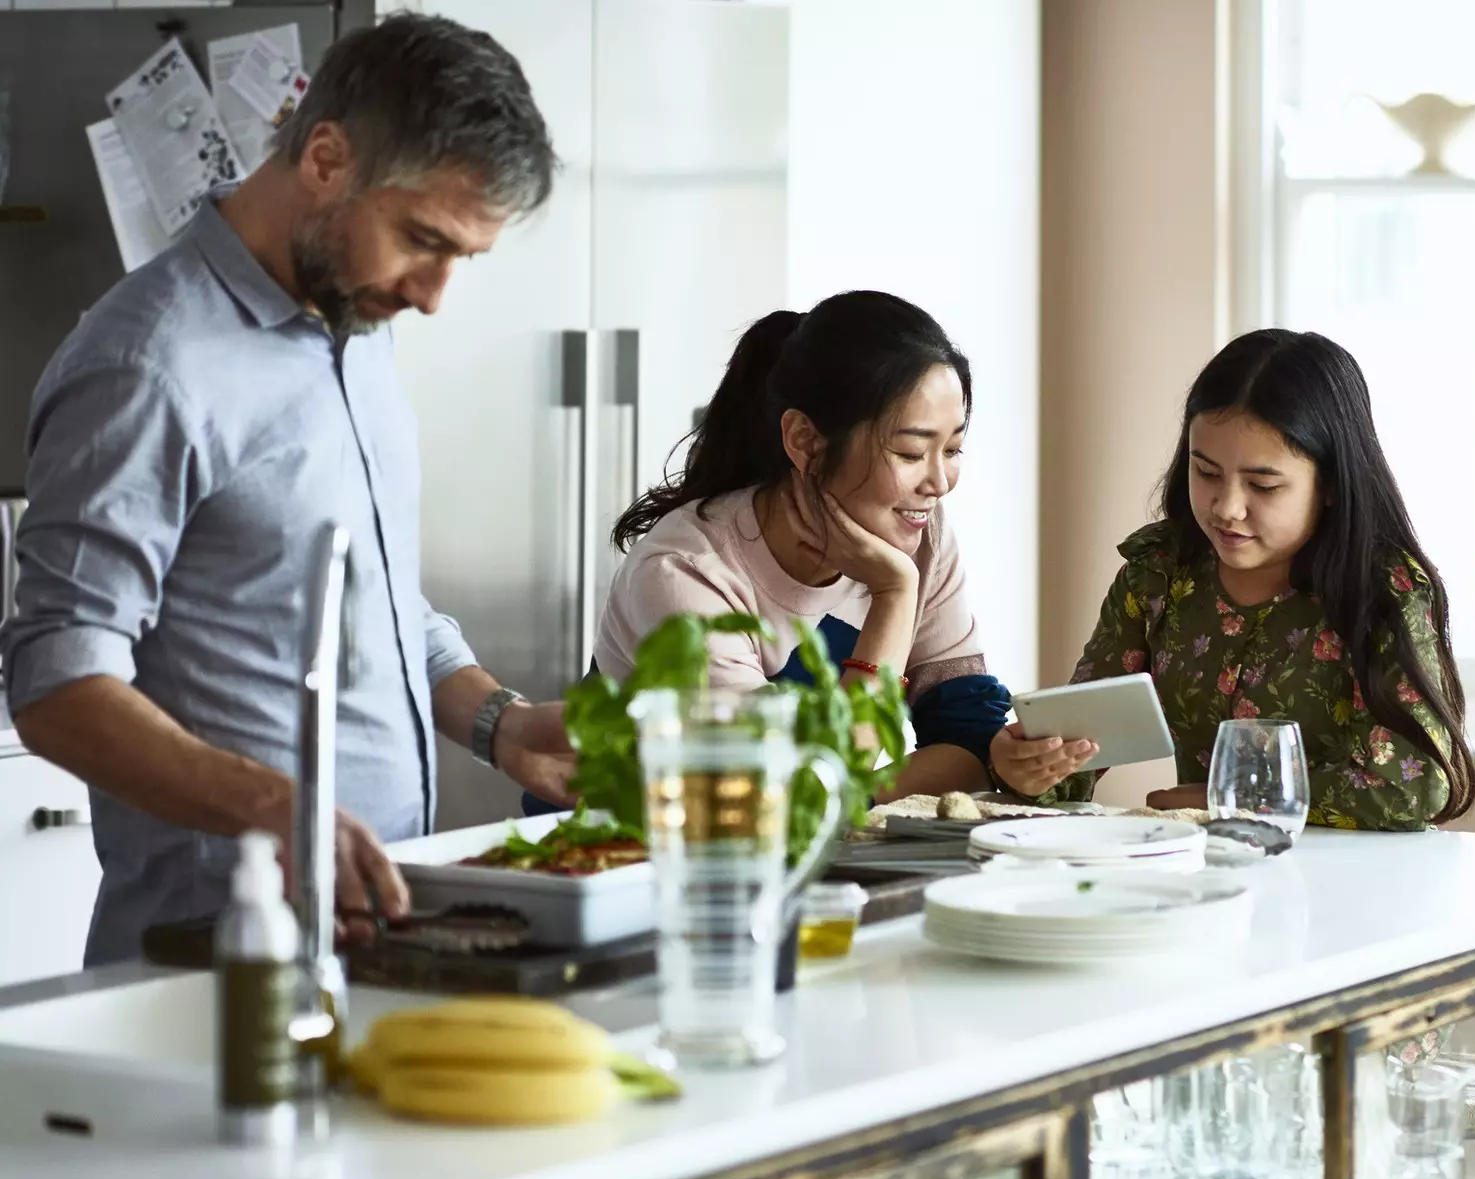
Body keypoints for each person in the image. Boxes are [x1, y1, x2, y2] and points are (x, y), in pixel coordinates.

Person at [0, 14, 573, 964]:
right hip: (210, 959)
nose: (434, 294)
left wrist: (498, 721)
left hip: (374, 933)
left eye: (460, 258)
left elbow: (365, 594)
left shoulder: (357, 323)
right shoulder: (148, 363)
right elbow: (58, 680)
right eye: (422, 240)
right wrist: (279, 808)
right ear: (325, 156)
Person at [990, 329, 1475, 829]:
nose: (1226, 508)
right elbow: (1081, 750)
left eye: (1263, 485)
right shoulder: (1158, 572)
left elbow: (1415, 785)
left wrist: (1227, 797)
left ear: (1330, 483)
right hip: (1205, 873)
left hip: (1356, 885)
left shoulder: (1384, 589)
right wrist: (1029, 768)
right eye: (1205, 473)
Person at [595, 291, 1011, 798]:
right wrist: (895, 595)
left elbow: (970, 744)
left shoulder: (924, 536)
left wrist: (852, 792)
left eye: (951, 449)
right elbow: (789, 797)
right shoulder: (686, 574)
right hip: (614, 862)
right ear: (806, 441)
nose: (939, 482)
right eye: (909, 452)